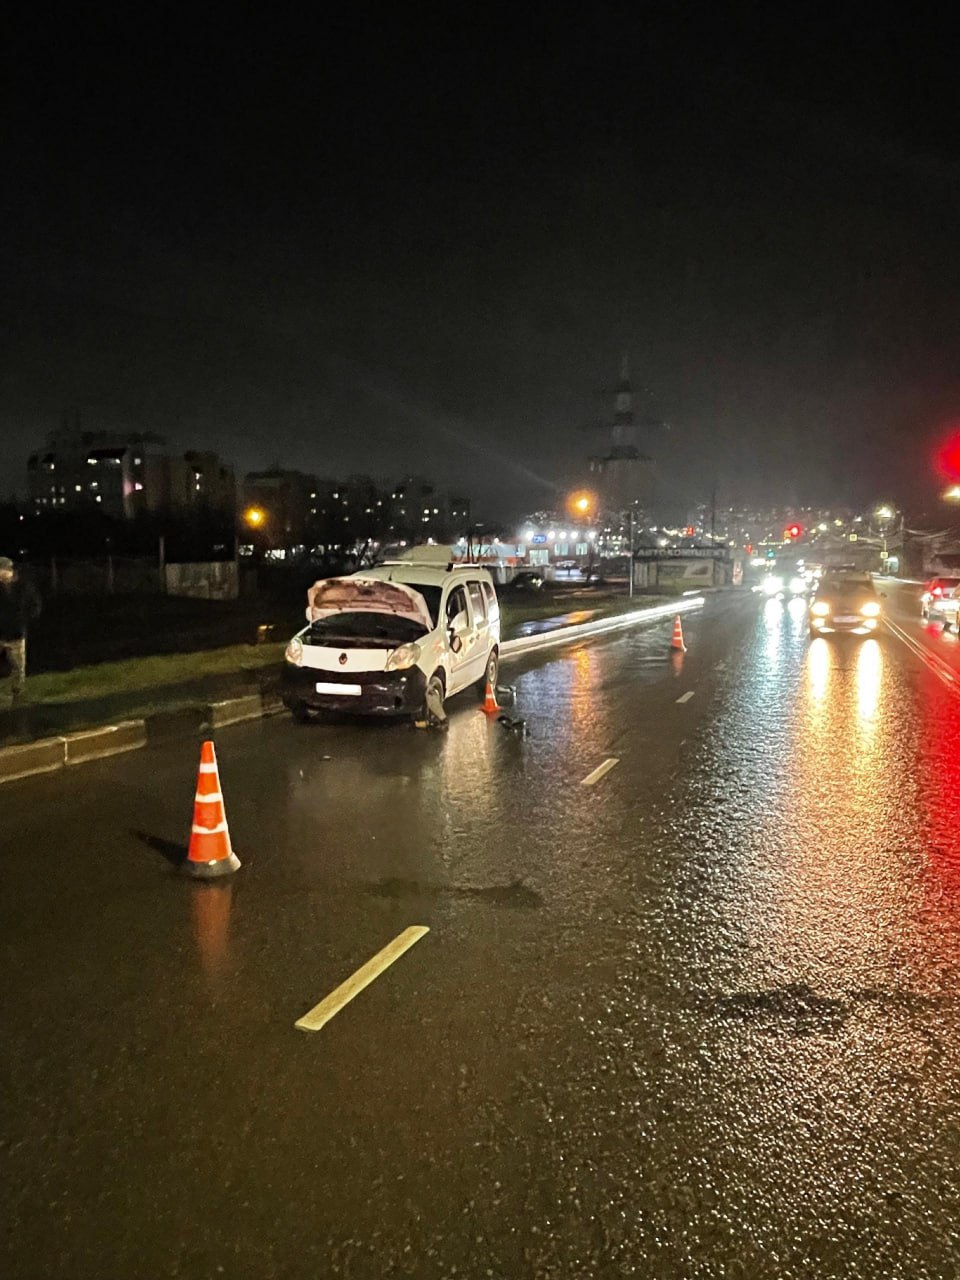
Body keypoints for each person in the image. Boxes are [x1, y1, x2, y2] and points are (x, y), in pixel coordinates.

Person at [0, 557, 41, 705]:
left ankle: (17, 696)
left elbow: (35, 604)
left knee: (18, 667)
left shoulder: (24, 586)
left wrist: (25, 619)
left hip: (17, 633)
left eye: (3, 570)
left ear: (10, 570)